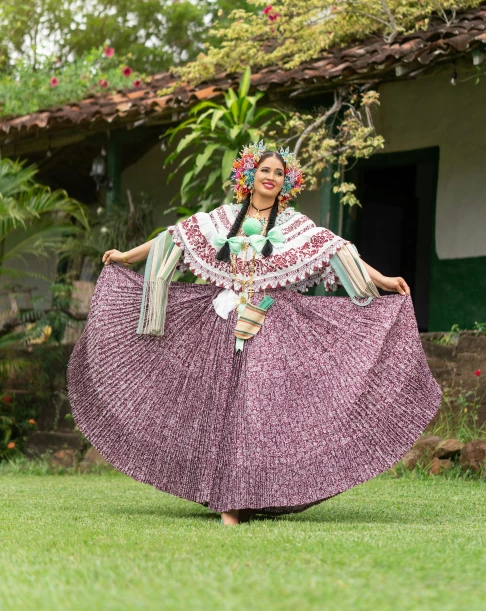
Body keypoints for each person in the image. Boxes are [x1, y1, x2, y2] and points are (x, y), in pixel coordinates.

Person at [67, 141, 442, 526]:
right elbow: (175, 237)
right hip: (221, 325)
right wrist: (127, 258)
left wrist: (381, 280)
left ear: (287, 182)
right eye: (265, 170)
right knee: (225, 412)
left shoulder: (295, 226)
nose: (272, 178)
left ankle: (243, 499)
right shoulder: (223, 218)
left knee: (258, 411)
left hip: (273, 326)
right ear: (250, 175)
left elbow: (337, 251)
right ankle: (233, 498)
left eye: (279, 173)